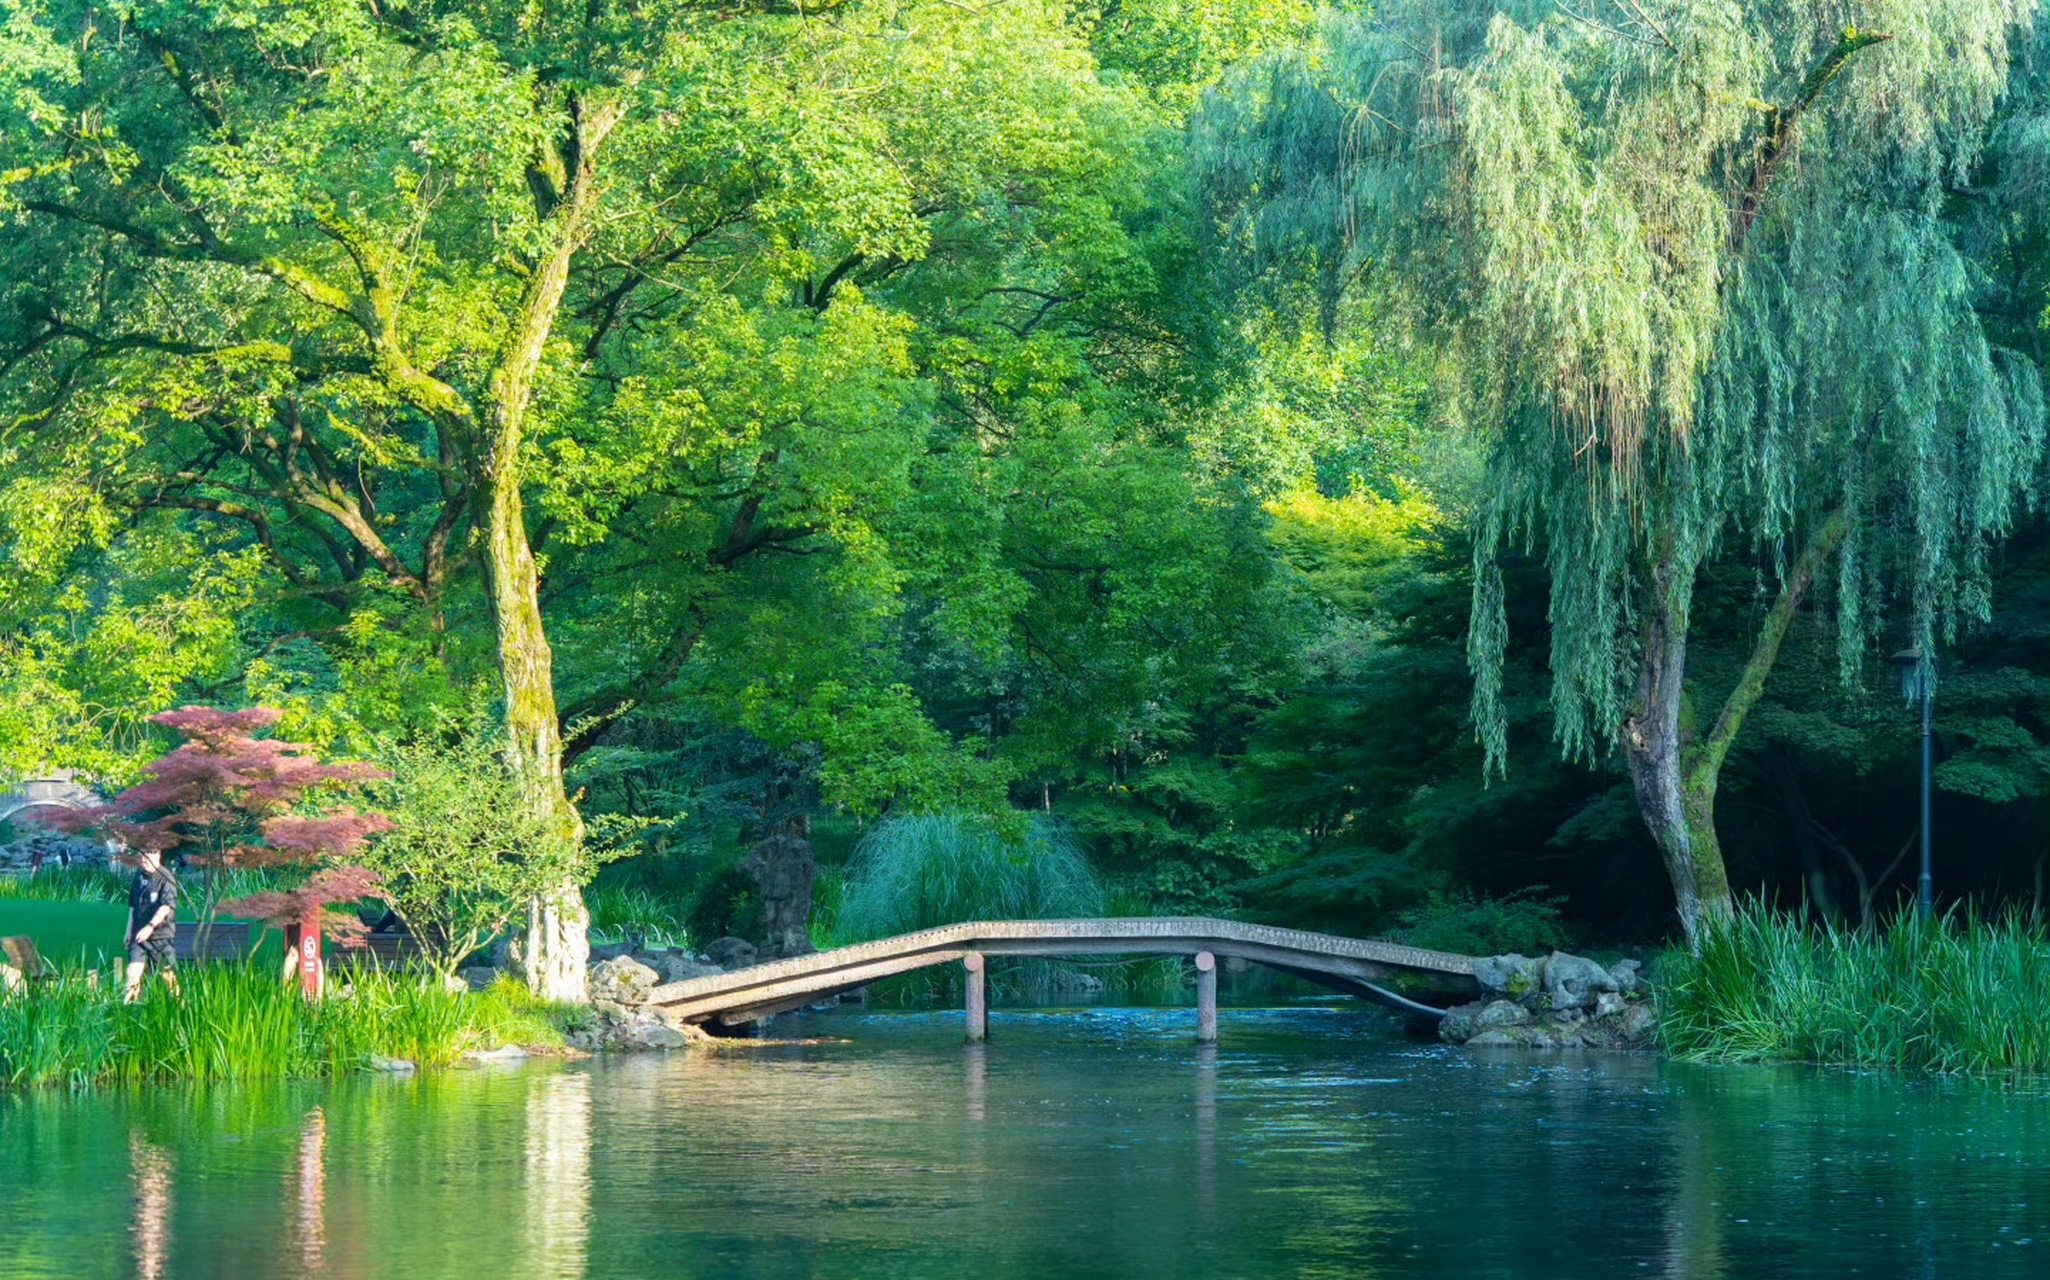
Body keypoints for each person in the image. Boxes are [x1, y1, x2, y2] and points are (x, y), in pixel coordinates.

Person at [123, 846, 179, 1002]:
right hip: (139, 934)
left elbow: (166, 907)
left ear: (158, 857)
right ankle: (129, 1008)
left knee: (168, 979)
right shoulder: (139, 875)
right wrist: (129, 931)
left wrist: (150, 927)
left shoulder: (166, 878)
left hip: (160, 935)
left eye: (147, 858)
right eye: (141, 858)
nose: (144, 862)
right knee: (132, 972)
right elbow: (133, 906)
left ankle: (180, 1007)